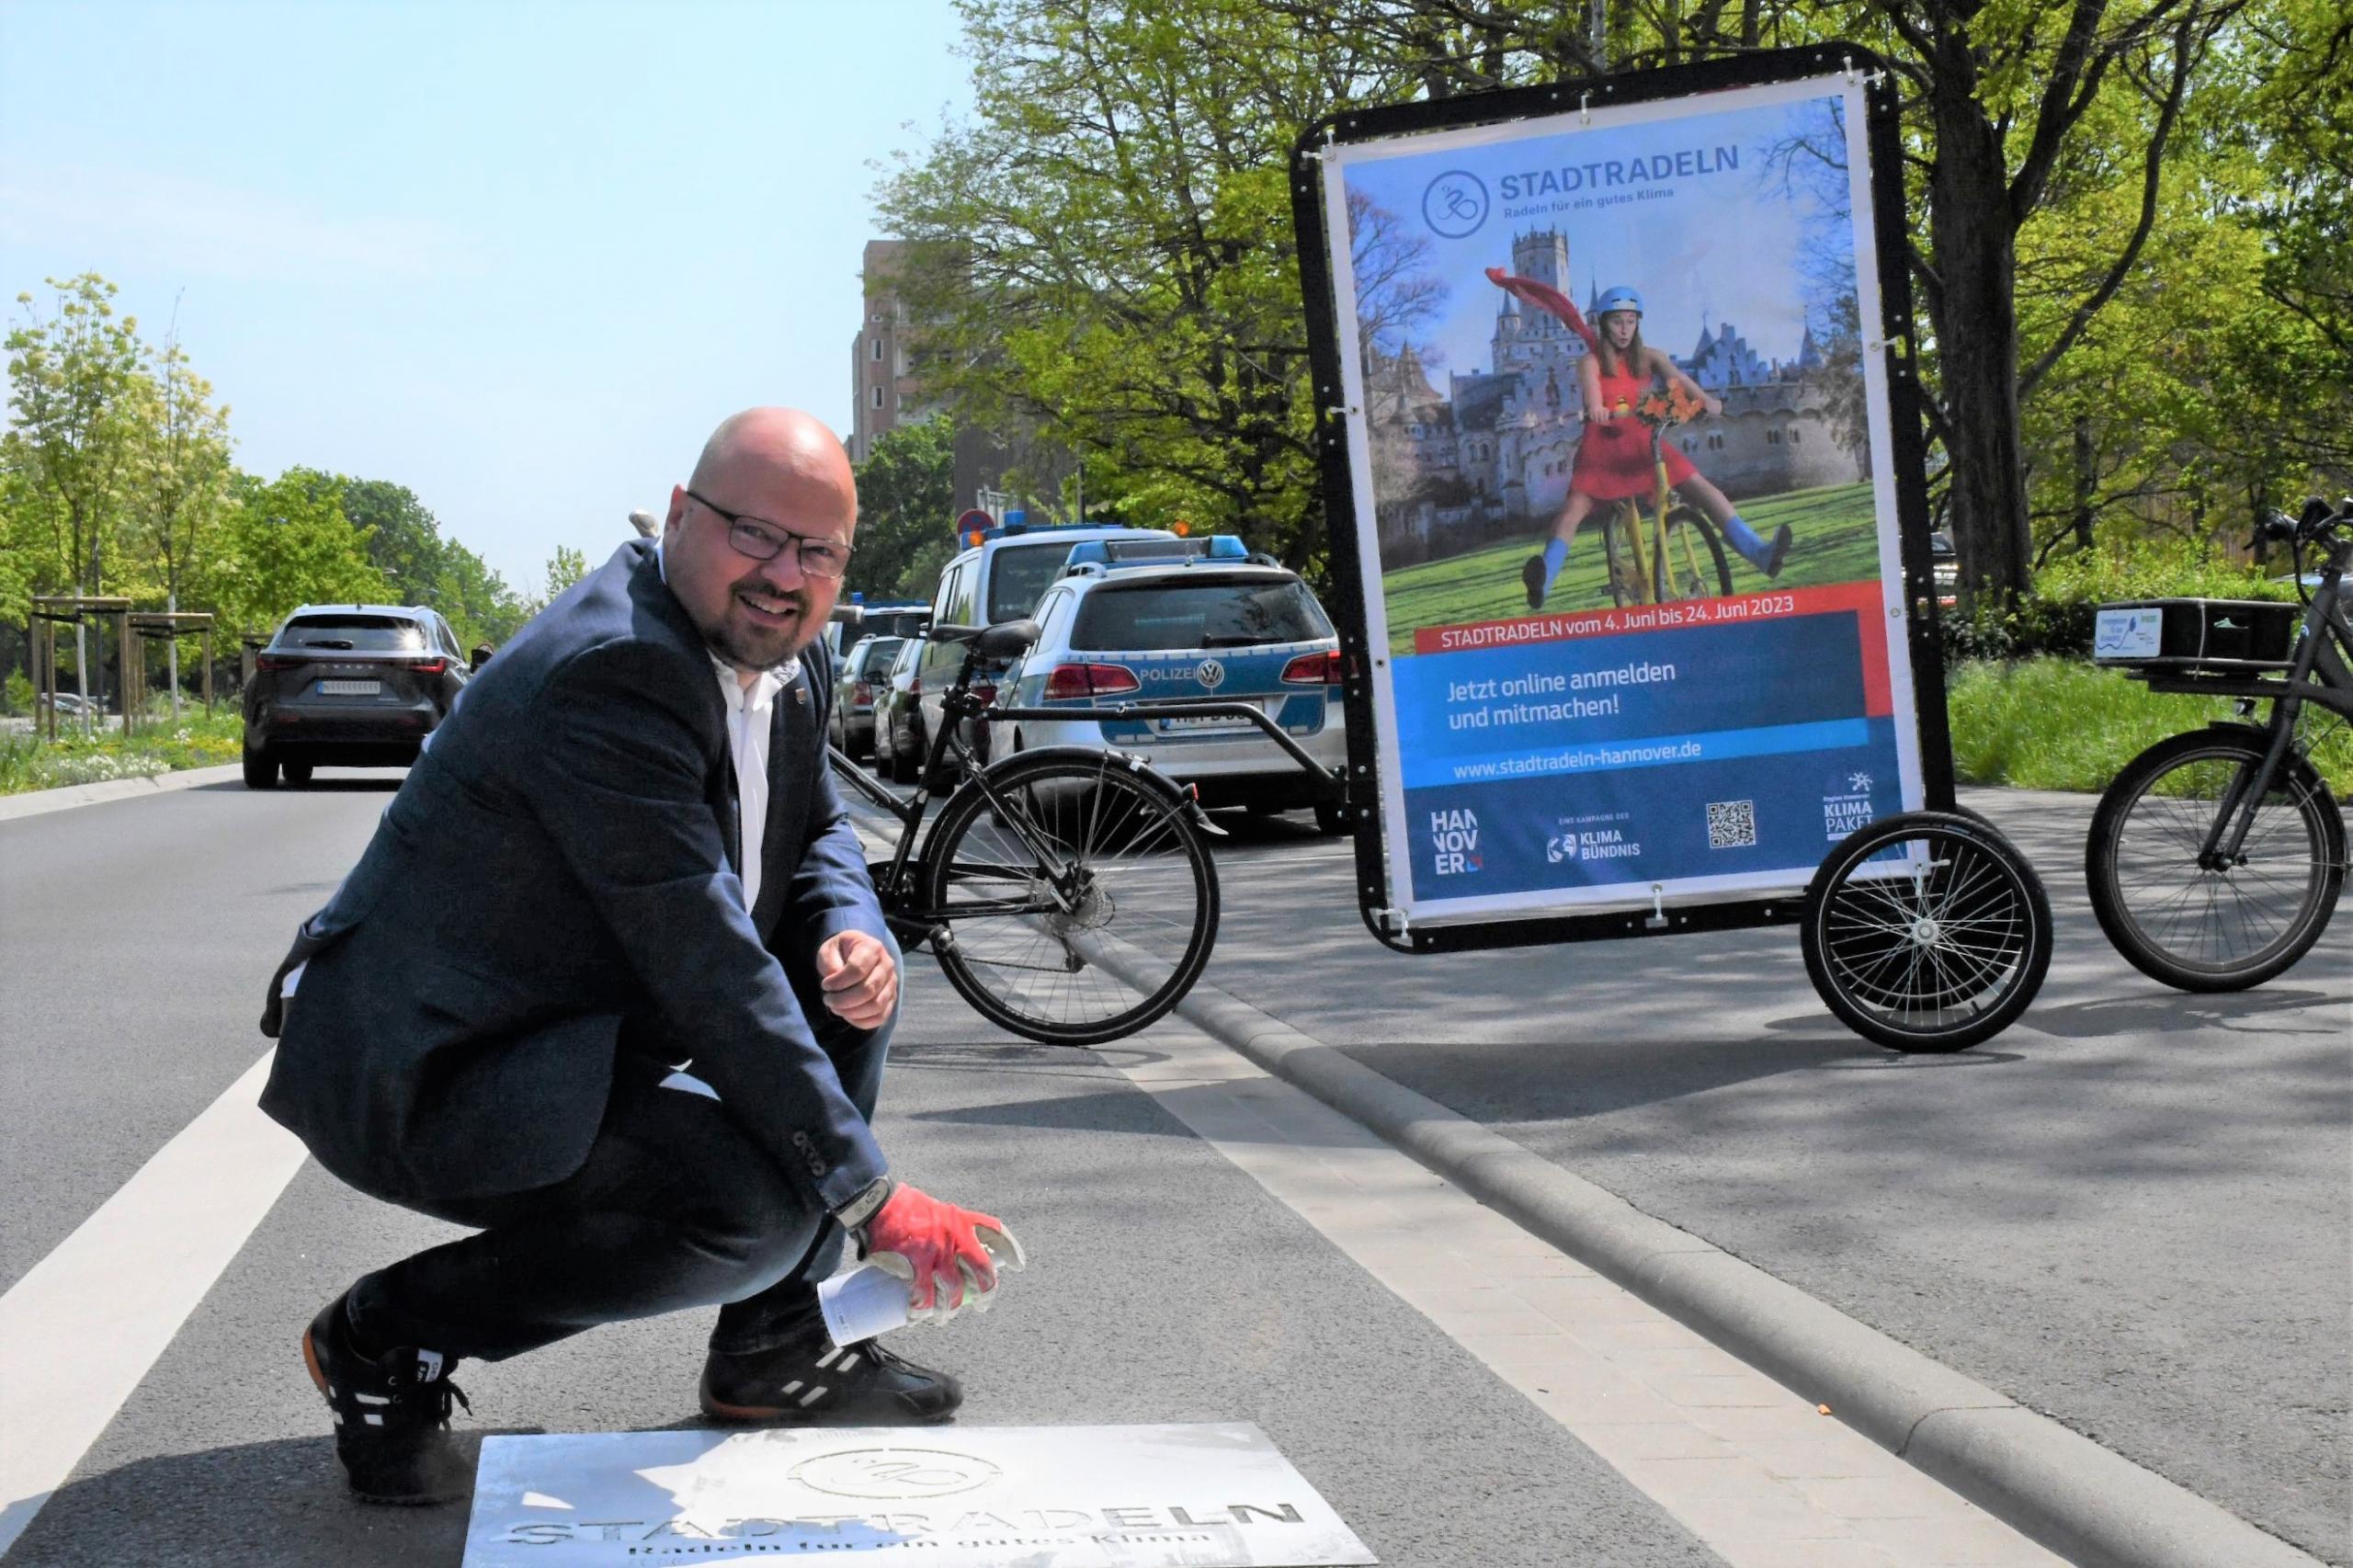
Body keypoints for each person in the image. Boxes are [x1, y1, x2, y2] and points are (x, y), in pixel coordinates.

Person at [257, 407, 1020, 1506]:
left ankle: (773, 1345)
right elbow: (704, 958)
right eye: (754, 533)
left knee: (846, 988)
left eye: (816, 551)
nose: (781, 574)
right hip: (437, 1067)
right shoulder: (613, 670)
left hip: (576, 1032)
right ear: (678, 516)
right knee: (747, 1210)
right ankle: (389, 1334)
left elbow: (815, 831)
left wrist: (850, 926)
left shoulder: (779, 658)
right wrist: (871, 1197)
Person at [1487, 268, 1791, 610]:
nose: (1624, 329)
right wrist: (1597, 408)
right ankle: (1544, 581)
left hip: (1646, 443)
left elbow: (1679, 379)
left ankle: (1760, 553)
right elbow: (1591, 392)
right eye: (1617, 322)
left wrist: (1706, 400)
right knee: (1573, 510)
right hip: (1603, 447)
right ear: (1604, 324)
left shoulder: (1652, 357)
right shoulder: (1590, 360)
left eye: (1630, 321)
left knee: (1705, 490)